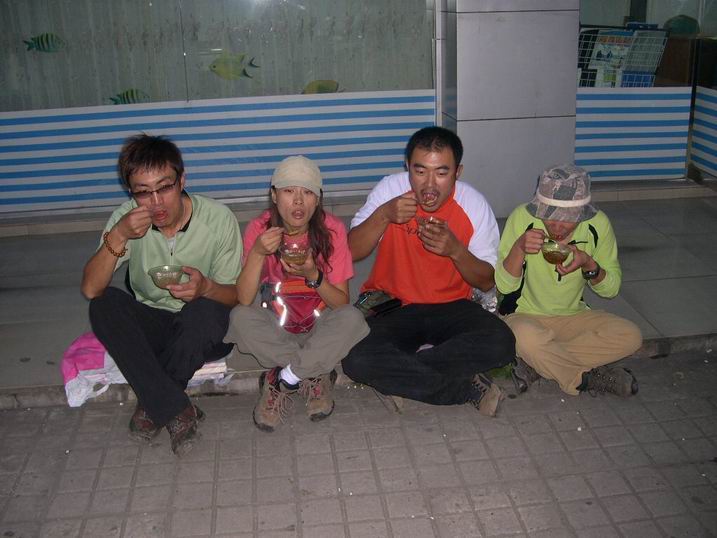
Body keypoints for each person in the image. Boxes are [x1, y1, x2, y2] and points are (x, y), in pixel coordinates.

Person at [81, 134, 242, 456]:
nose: (156, 202)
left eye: (165, 187)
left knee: (205, 311)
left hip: (205, 330)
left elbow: (237, 296)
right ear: (131, 192)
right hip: (155, 325)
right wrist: (119, 235)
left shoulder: (218, 218)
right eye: (143, 192)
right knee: (103, 306)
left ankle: (154, 404)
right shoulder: (126, 219)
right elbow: (91, 289)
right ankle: (174, 407)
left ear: (182, 180)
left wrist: (205, 288)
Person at [341, 126, 515, 416]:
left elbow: (486, 281)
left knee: (502, 343)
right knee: (355, 359)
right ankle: (465, 389)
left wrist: (456, 251)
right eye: (420, 171)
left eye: (441, 173)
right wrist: (384, 215)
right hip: (390, 303)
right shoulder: (390, 190)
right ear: (407, 166)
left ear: (458, 172)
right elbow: (349, 252)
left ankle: (400, 374)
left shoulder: (473, 204)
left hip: (453, 305)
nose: (429, 185)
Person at [224, 156, 369, 432]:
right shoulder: (260, 229)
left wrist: (314, 275)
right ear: (274, 195)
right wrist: (257, 252)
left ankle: (283, 377)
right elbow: (244, 298)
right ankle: (314, 371)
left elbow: (341, 303)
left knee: (352, 319)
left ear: (318, 199)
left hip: (320, 326)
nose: (299, 201)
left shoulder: (333, 230)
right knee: (239, 318)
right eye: (289, 191)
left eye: (308, 192)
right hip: (277, 326)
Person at [496, 164, 642, 397]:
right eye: (549, 217)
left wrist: (589, 265)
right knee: (526, 339)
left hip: (574, 316)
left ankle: (540, 363)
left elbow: (611, 289)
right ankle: (585, 379)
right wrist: (519, 248)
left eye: (567, 220)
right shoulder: (522, 218)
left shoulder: (597, 225)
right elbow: (504, 286)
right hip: (524, 315)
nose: (556, 227)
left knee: (631, 336)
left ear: (583, 213)